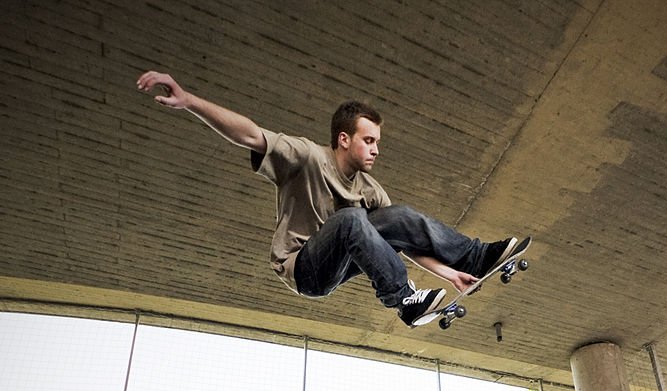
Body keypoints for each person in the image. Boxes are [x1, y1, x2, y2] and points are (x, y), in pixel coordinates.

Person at [136, 71, 521, 327]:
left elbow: (406, 243)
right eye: (368, 141)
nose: (375, 151)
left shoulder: (371, 191)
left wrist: (449, 274)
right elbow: (251, 135)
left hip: (342, 261)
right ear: (343, 139)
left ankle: (475, 255)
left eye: (377, 143)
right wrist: (190, 102)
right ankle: (404, 301)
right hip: (305, 270)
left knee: (397, 217)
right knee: (351, 220)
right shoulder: (306, 156)